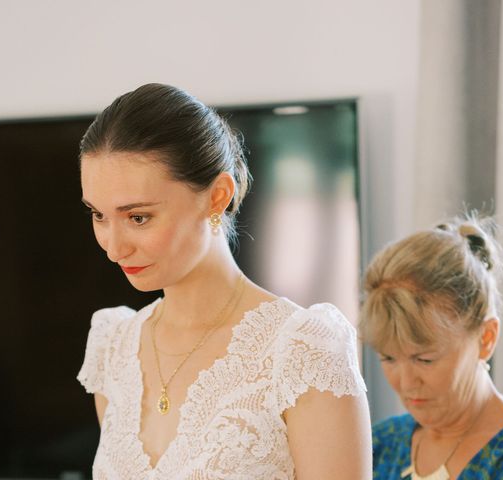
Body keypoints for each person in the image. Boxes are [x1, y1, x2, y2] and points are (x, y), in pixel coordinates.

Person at [75, 83, 372, 479]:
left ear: (216, 197)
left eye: (138, 217)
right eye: (98, 215)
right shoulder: (114, 346)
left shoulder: (304, 353)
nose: (113, 248)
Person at [359, 215, 503, 479]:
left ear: (486, 338)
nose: (406, 382)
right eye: (388, 358)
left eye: (424, 360)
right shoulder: (378, 445)